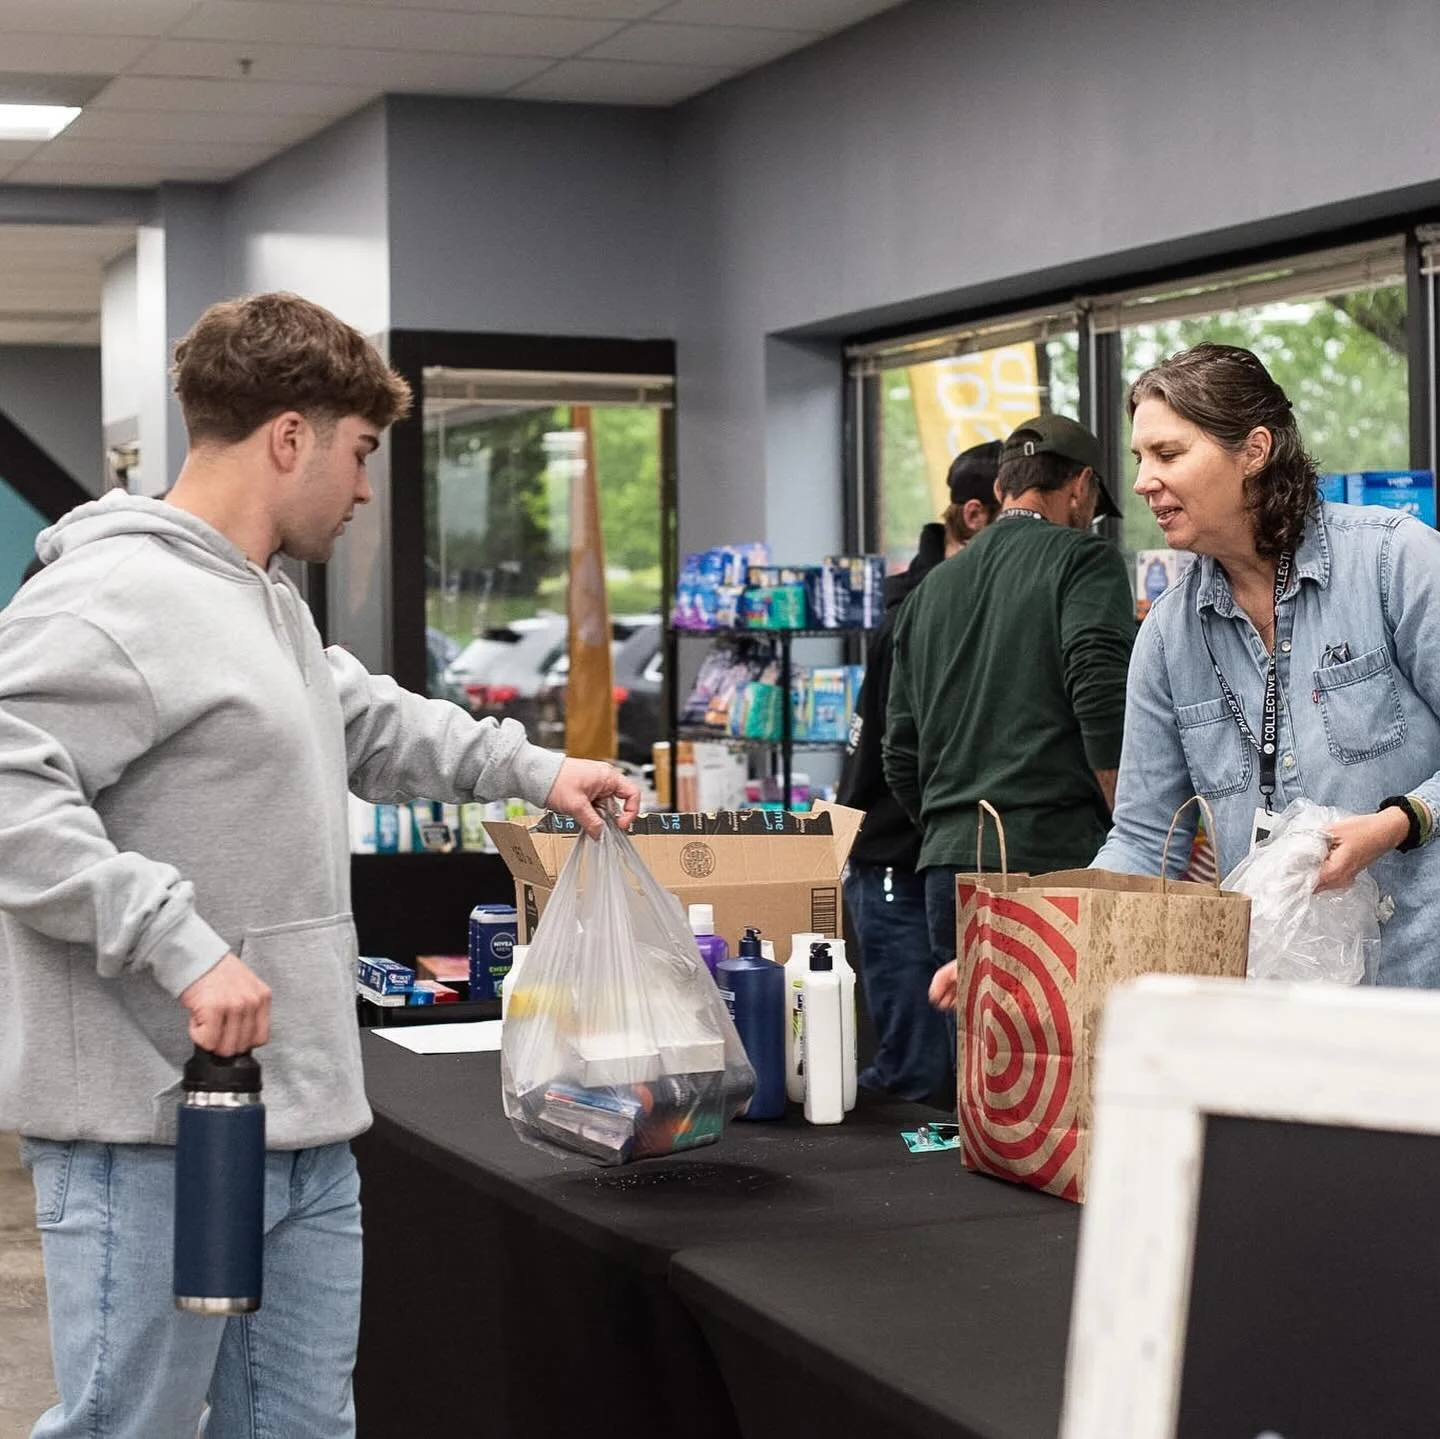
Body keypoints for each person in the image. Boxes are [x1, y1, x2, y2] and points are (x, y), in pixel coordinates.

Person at [0, 291, 640, 1439]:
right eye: (359, 453)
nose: (360, 489)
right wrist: (180, 946)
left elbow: (370, 721)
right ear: (287, 436)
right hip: (152, 1133)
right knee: (127, 1429)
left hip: (302, 1124)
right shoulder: (110, 596)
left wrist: (538, 770)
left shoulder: (266, 605)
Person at [1093, 342, 1440, 987]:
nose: (1141, 481)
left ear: (1254, 451)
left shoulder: (1397, 563)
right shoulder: (1167, 637)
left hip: (1418, 994)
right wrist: (1044, 934)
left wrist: (1402, 820)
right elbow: (1145, 842)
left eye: (1168, 455)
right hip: (1273, 1015)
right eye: (1140, 458)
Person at [884, 414, 1134, 1018]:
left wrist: (952, 823)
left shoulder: (930, 590)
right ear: (1080, 486)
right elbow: (1100, 692)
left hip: (947, 865)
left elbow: (899, 751)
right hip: (1054, 854)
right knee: (1065, 1076)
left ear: (1000, 491)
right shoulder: (1084, 560)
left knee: (982, 1081)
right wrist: (1127, 822)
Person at [838, 441, 1000, 1102]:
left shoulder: (967, 606)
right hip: (895, 865)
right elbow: (899, 756)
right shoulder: (919, 613)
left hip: (942, 862)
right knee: (916, 1069)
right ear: (974, 516)